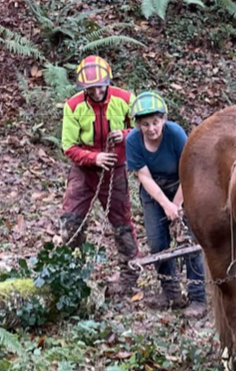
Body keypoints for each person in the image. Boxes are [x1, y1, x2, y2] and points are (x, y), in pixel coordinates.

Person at [59, 55, 139, 295]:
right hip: (84, 170)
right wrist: (94, 158)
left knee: (121, 222)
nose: (95, 92)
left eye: (99, 86)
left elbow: (142, 129)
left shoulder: (125, 99)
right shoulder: (73, 105)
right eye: (90, 88)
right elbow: (68, 146)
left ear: (108, 82)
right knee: (71, 220)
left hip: (115, 168)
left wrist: (125, 135)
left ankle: (130, 274)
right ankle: (72, 271)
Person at [125, 90, 207, 317]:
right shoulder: (132, 141)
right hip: (154, 191)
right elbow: (144, 177)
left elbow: (189, 172)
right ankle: (171, 292)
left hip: (183, 183)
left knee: (189, 243)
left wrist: (177, 204)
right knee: (157, 242)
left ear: (164, 120)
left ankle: (198, 297)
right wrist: (166, 205)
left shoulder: (176, 134)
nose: (151, 129)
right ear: (138, 126)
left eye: (155, 122)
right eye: (145, 124)